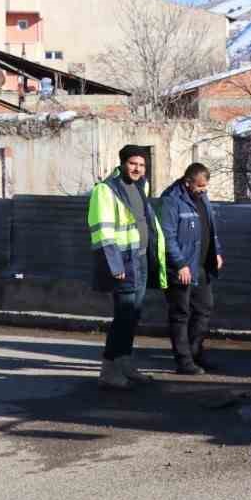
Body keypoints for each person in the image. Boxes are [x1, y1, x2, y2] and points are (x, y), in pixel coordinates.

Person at [87, 144, 169, 390]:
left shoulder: (140, 187)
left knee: (133, 316)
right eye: (133, 163)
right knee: (123, 316)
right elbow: (103, 231)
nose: (137, 168)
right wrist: (114, 264)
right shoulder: (106, 190)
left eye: (142, 165)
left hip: (141, 259)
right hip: (123, 262)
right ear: (122, 163)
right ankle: (108, 370)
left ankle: (125, 364)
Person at [157, 162, 224, 375]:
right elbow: (166, 237)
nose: (204, 190)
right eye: (200, 186)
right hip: (181, 268)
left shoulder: (201, 197)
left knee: (204, 308)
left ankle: (195, 353)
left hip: (201, 265)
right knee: (180, 314)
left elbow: (210, 227)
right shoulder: (171, 200)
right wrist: (180, 264)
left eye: (206, 186)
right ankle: (184, 361)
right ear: (188, 182)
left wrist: (217, 251)